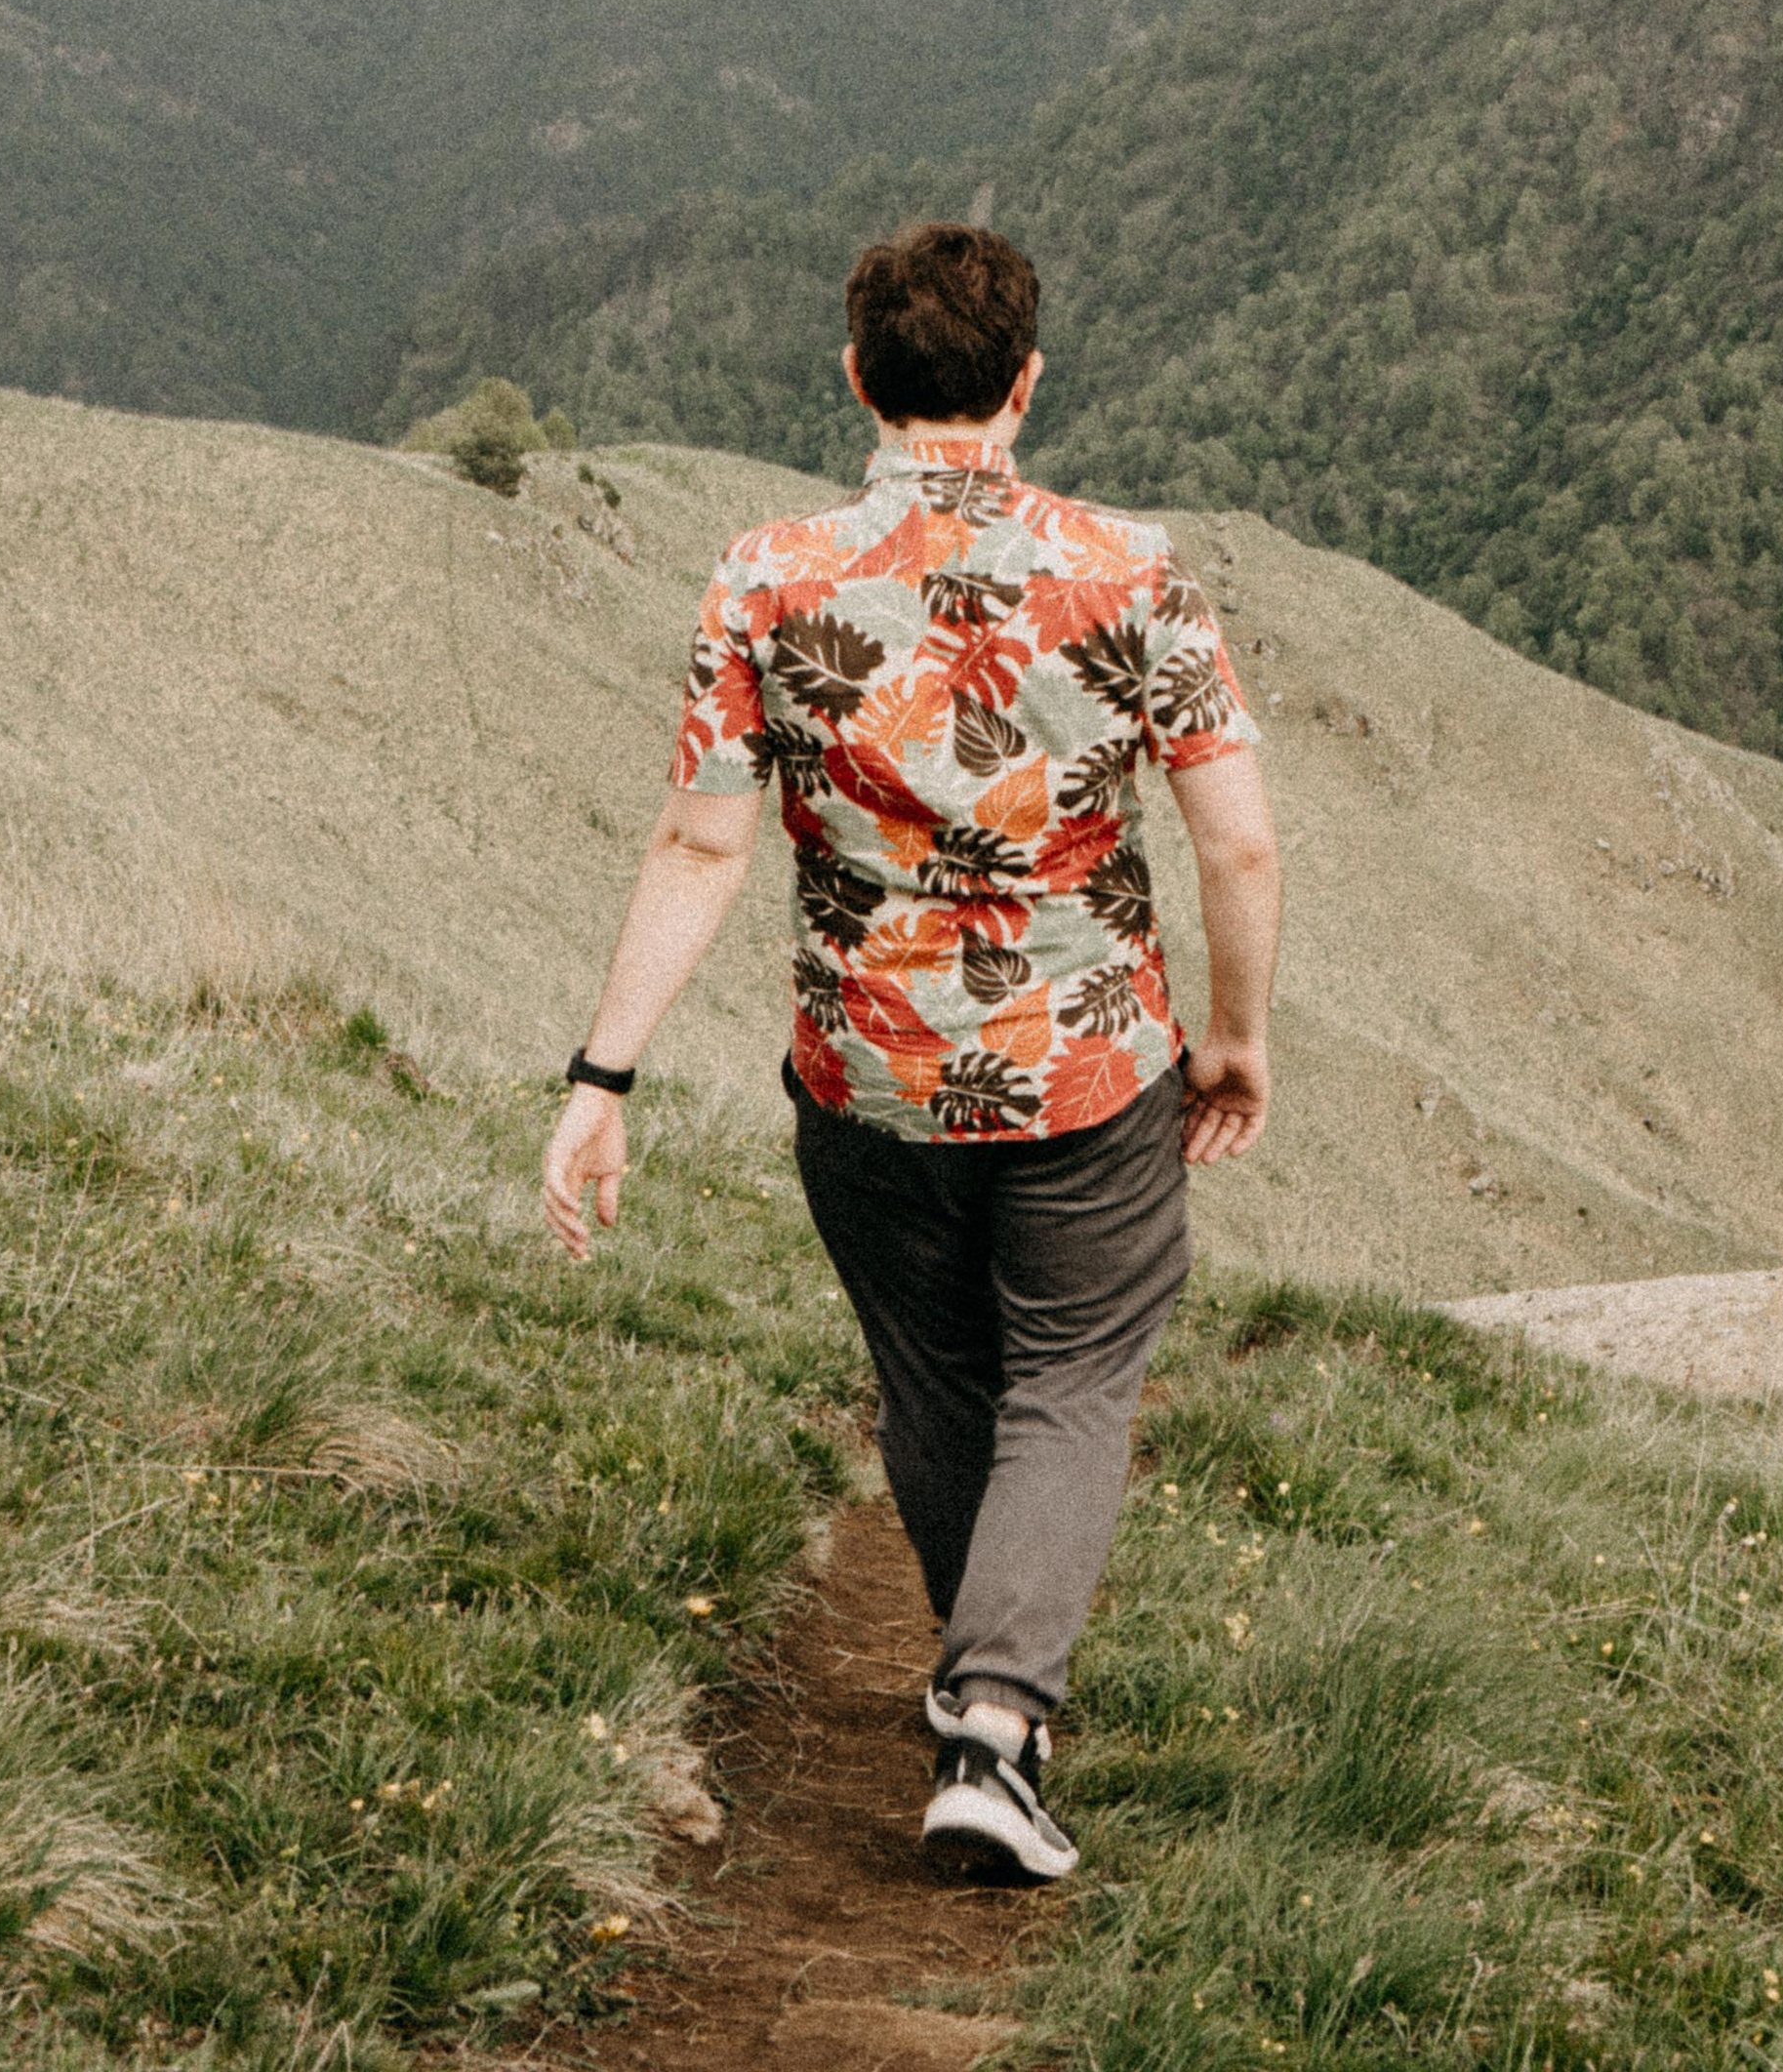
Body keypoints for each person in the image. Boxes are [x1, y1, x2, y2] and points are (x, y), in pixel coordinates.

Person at [542, 220, 1282, 1883]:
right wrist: (1230, 1037)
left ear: (859, 381)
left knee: (938, 1381)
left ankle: (982, 1694)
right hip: (1091, 1070)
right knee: (1076, 1375)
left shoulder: (765, 577)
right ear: (1025, 385)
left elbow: (700, 850)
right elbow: (1234, 843)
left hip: (864, 1076)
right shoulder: (1132, 571)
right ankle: (998, 1728)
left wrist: (602, 1079)